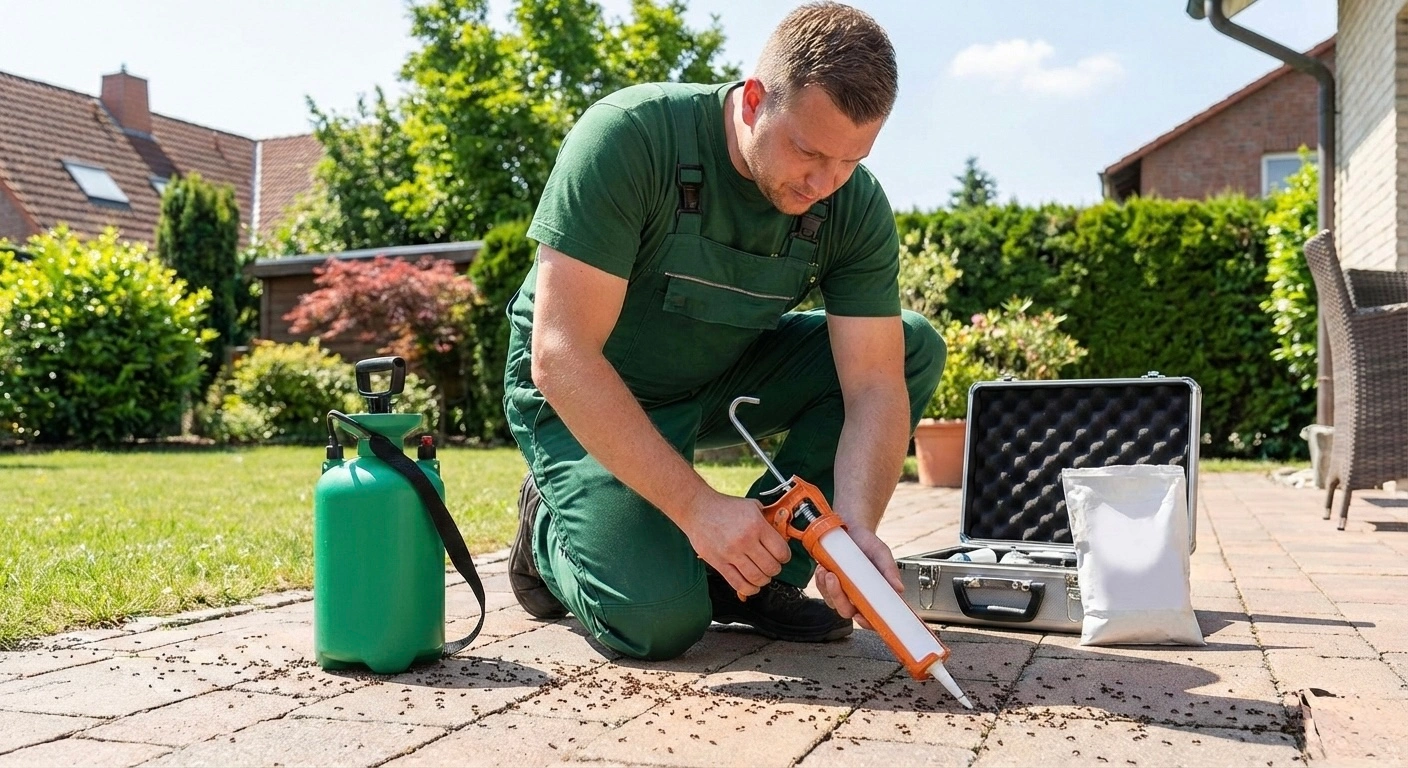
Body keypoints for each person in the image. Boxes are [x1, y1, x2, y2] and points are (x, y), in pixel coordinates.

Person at [502, 1, 945, 661]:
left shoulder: (851, 204)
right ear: (755, 100)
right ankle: (545, 529)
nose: (826, 184)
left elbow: (875, 385)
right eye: (808, 152)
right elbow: (561, 356)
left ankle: (751, 578)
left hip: (717, 382)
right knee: (656, 624)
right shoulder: (631, 137)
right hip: (582, 392)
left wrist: (854, 533)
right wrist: (697, 507)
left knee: (910, 346)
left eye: (851, 160)